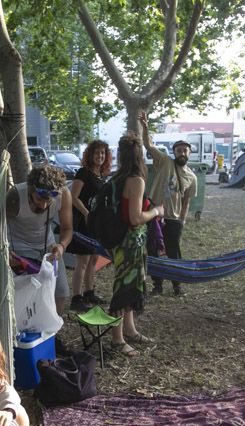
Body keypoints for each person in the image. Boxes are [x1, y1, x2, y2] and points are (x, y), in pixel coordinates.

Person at [108, 132, 165, 358]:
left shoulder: (116, 178)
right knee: (123, 289)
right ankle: (117, 339)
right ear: (140, 156)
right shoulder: (136, 181)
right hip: (130, 242)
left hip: (123, 242)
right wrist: (156, 211)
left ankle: (129, 330)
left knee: (130, 287)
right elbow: (135, 218)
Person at [140, 111, 197, 296]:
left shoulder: (192, 177)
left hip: (173, 219)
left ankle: (176, 285)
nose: (182, 153)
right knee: (153, 251)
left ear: (189, 153)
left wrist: (182, 220)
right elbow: (147, 145)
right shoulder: (164, 161)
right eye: (179, 150)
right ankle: (157, 285)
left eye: (185, 150)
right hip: (155, 215)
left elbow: (187, 200)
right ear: (174, 152)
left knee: (174, 253)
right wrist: (145, 126)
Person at [6, 164, 74, 316]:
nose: (43, 205)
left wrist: (61, 246)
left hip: (48, 247)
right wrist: (6, 253)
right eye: (38, 199)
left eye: (48, 201)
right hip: (19, 248)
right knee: (26, 293)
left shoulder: (63, 194)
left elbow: (67, 228)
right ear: (31, 189)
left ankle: (52, 333)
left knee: (60, 291)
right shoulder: (15, 195)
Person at [67, 140, 112, 312]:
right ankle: (76, 298)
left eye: (103, 153)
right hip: (83, 222)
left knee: (94, 258)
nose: (100, 156)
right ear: (90, 155)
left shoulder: (101, 175)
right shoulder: (83, 173)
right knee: (83, 261)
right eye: (97, 153)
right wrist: (86, 213)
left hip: (96, 224)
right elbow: (73, 196)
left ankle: (89, 292)